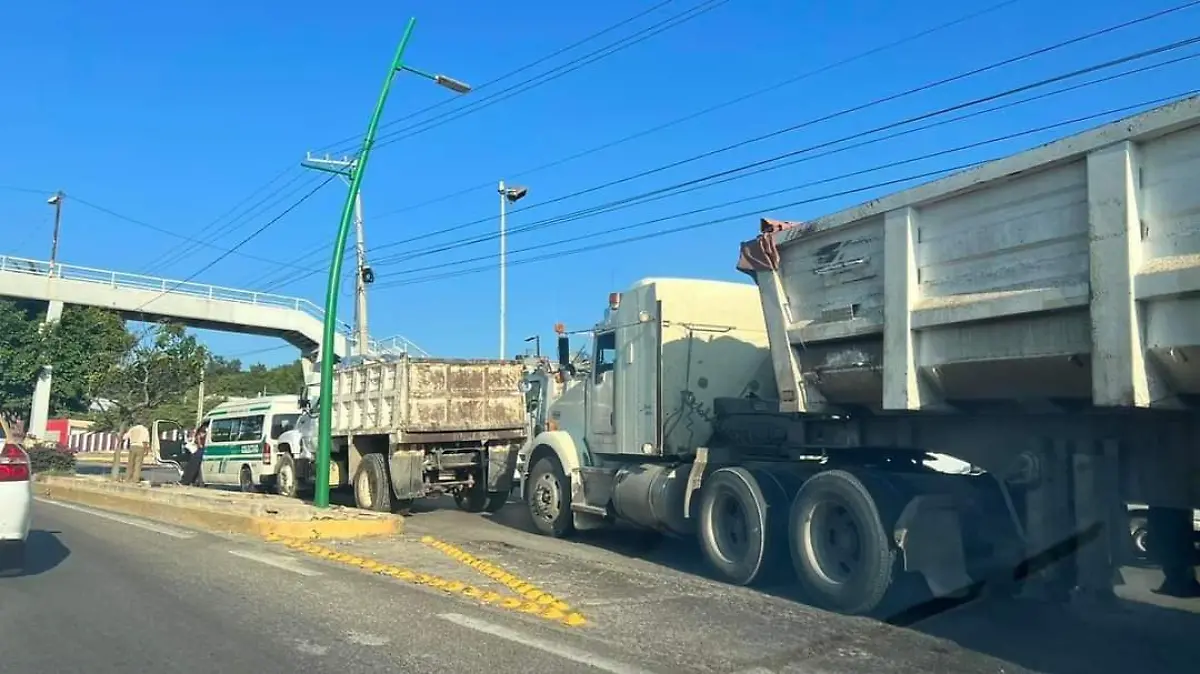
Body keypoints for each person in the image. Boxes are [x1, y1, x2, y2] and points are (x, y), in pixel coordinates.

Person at [180, 420, 208, 487]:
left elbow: (200, 445)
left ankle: (188, 480)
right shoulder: (199, 435)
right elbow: (199, 444)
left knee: (195, 461)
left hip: (202, 450)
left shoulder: (203, 434)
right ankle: (192, 480)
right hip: (200, 449)